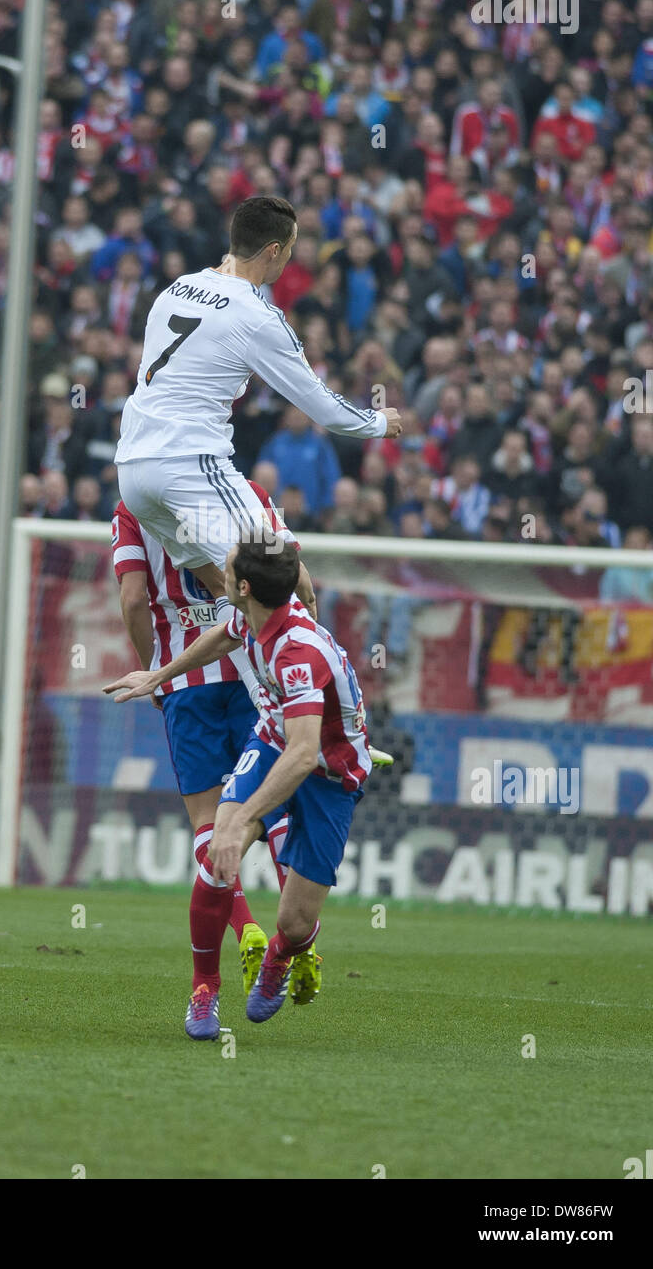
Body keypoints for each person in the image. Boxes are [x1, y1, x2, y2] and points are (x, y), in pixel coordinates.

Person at [105, 533, 391, 1032]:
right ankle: (204, 990)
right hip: (273, 742)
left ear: (242, 585)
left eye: (230, 559)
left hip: (327, 775)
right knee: (220, 847)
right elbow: (222, 636)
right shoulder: (255, 614)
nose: (221, 557)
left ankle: (281, 954)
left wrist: (246, 815)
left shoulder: (296, 651)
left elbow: (303, 755)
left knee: (296, 924)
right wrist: (159, 675)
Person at [113, 480, 324, 1040]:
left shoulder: (133, 504)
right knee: (269, 807)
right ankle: (295, 941)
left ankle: (223, 962)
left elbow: (134, 600)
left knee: (211, 825)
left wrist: (156, 671)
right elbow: (300, 580)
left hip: (188, 676)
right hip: (256, 668)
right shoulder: (243, 490)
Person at [114, 196, 402, 604]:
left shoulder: (176, 288)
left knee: (227, 595)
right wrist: (376, 423)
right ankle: (306, 669)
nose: (287, 260)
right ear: (273, 251)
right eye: (289, 249)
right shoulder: (257, 315)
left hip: (133, 471)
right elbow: (317, 401)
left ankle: (220, 671)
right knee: (286, 581)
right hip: (188, 465)